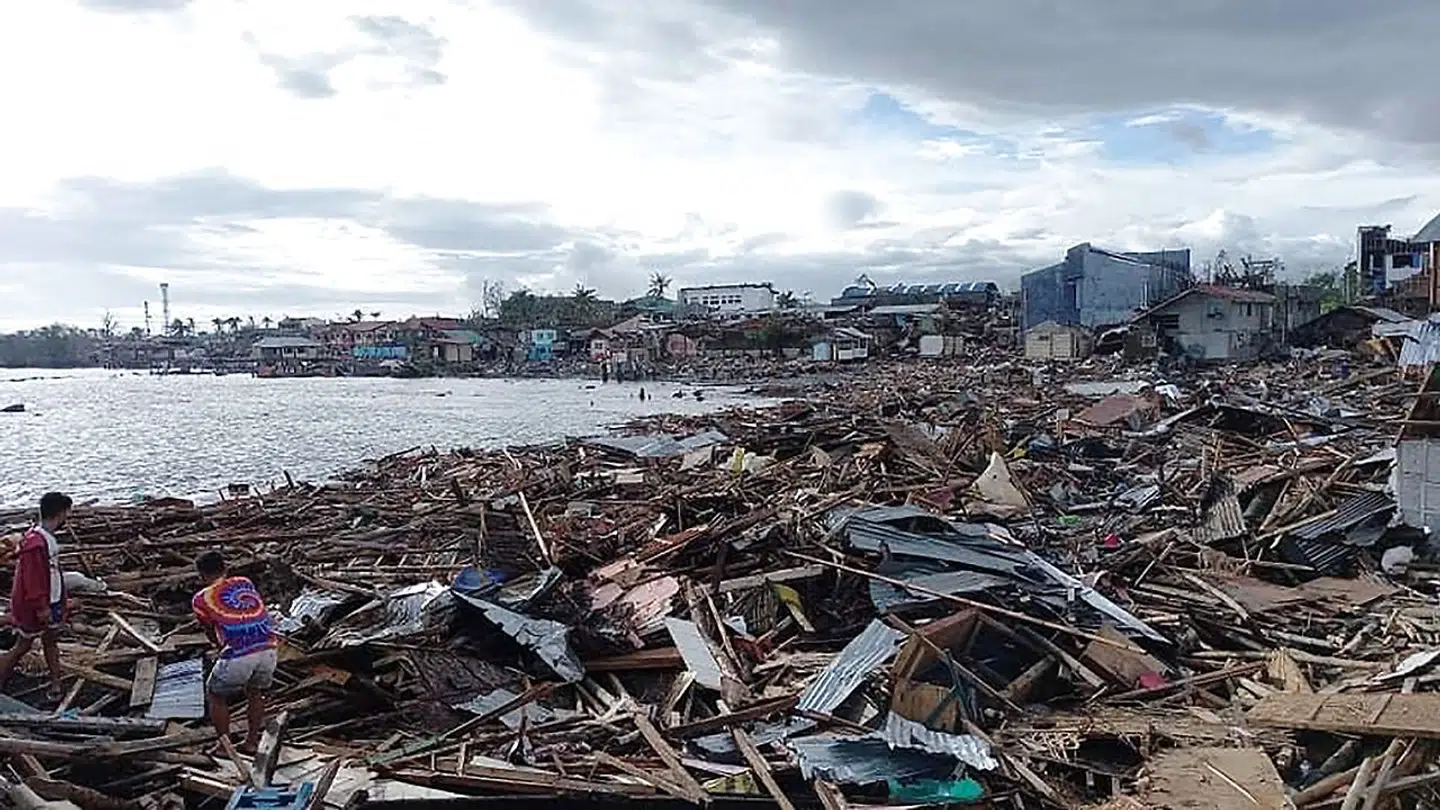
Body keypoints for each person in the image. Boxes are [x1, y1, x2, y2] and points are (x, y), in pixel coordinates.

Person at [192, 550, 276, 753]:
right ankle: (252, 741)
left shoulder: (201, 599)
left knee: (215, 694)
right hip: (269, 647)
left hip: (239, 652)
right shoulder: (245, 582)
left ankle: (224, 745)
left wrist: (219, 647)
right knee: (255, 692)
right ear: (226, 568)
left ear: (201, 575)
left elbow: (210, 630)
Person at [0, 492, 72, 699]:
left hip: (52, 599)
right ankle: (1, 679)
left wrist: (60, 600)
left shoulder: (43, 538)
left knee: (51, 640)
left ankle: (56, 683)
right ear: (60, 513)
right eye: (67, 512)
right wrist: (42, 607)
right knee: (23, 645)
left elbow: (52, 573)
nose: (68, 516)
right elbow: (32, 580)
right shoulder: (35, 543)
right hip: (37, 605)